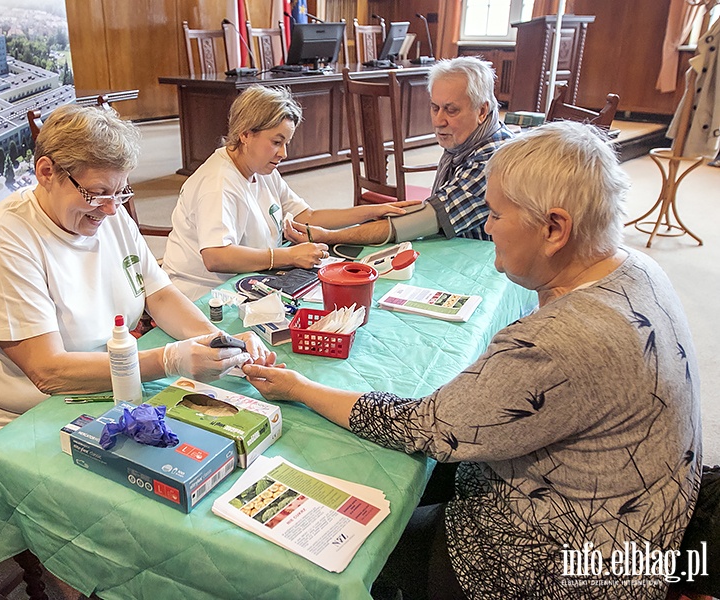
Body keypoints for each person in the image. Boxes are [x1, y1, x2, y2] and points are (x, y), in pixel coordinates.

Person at [243, 121, 702, 599]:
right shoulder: (638, 268)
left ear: (554, 228)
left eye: (497, 215)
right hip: (640, 533)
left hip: (557, 566)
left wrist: (297, 387)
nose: (486, 226)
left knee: (354, 543)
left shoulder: (555, 342)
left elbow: (423, 426)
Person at [0, 104, 275, 455]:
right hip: (17, 421)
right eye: (97, 193)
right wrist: (169, 360)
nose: (111, 209)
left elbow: (160, 295)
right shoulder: (1, 244)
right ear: (46, 172)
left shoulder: (108, 215)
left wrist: (214, 340)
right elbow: (48, 372)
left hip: (106, 388)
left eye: (120, 192)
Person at [160, 85, 419, 300]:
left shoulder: (261, 169)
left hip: (249, 280)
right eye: (276, 142)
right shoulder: (218, 183)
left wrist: (370, 211)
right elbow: (216, 256)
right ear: (246, 134)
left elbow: (307, 215)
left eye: (285, 143)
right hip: (205, 295)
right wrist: (287, 256)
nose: (283, 154)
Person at [285, 56, 513, 248]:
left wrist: (330, 237)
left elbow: (423, 222)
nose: (439, 121)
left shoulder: (492, 160)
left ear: (482, 110)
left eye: (451, 110)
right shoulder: (467, 137)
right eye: (435, 108)